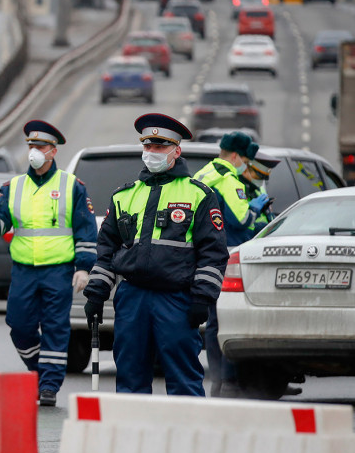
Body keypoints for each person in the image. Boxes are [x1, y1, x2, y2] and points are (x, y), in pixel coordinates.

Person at [83, 113, 229, 396]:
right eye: (148, 147)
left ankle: (185, 439)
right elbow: (107, 252)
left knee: (183, 380)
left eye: (160, 147)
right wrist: (95, 294)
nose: (152, 153)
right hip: (132, 298)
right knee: (129, 378)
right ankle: (131, 439)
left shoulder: (199, 195)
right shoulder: (123, 195)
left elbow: (213, 253)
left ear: (177, 150)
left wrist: (202, 299)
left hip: (177, 300)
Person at [0, 120, 98, 407]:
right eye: (31, 146)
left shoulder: (72, 186)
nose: (34, 151)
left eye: (40, 147)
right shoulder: (14, 186)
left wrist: (83, 267)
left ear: (53, 151)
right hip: (24, 270)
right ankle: (38, 370)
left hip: (59, 270)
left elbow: (85, 229)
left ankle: (49, 386)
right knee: (18, 325)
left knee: (56, 327)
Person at [193, 132, 270, 397]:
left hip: (200, 255)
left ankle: (217, 379)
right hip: (226, 255)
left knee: (212, 321)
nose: (246, 166)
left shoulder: (203, 173)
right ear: (236, 156)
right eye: (246, 161)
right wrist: (256, 207)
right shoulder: (228, 179)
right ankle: (228, 380)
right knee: (225, 320)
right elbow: (241, 218)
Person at [239, 146, 280, 231]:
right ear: (246, 169)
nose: (261, 182)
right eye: (259, 176)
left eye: (264, 178)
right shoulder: (236, 188)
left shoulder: (258, 189)